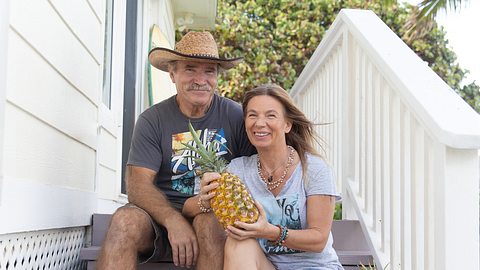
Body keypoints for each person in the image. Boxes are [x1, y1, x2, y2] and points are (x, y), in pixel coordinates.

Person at [97, 31, 254, 270]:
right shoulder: (153, 119)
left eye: (209, 71)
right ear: (173, 74)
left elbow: (255, 172)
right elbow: (138, 186)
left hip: (213, 213)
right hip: (158, 219)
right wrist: (173, 220)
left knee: (209, 226)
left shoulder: (235, 116)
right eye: (190, 69)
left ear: (217, 77)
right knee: (123, 223)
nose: (200, 79)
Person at [200, 84, 344, 270]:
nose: (260, 123)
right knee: (238, 242)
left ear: (287, 124)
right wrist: (204, 201)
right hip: (267, 265)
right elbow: (190, 209)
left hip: (315, 266)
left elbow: (318, 240)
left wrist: (271, 232)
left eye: (270, 115)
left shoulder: (314, 168)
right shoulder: (238, 170)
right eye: (252, 115)